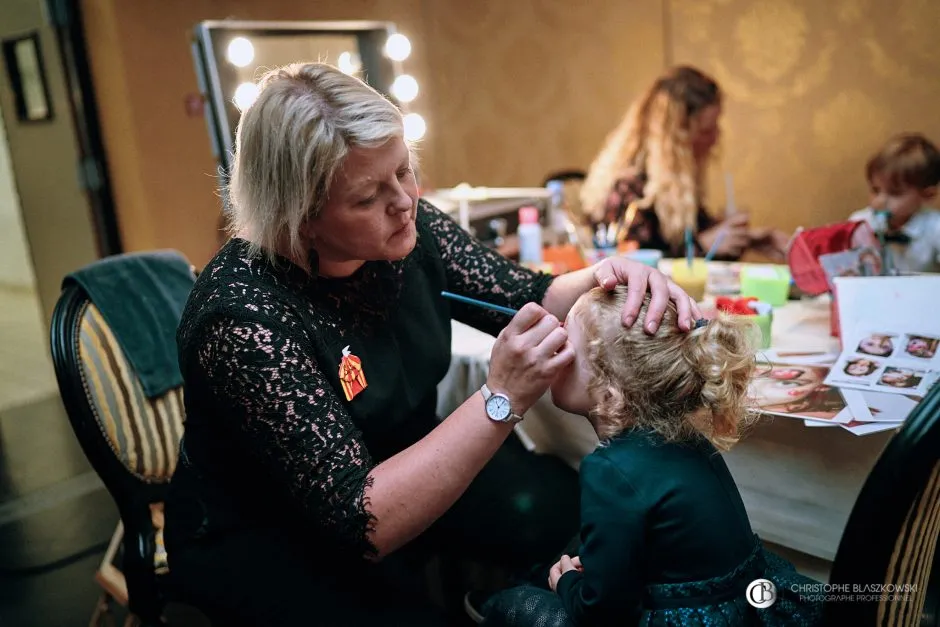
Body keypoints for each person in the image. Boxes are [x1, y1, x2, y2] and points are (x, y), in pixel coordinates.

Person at [163, 62, 700, 626]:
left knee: (578, 512)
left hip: (401, 456)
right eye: (368, 195)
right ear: (298, 215)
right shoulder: (245, 318)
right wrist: (501, 397)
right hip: (274, 538)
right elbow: (361, 522)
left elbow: (528, 295)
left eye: (404, 170)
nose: (404, 201)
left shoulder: (408, 231)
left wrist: (609, 275)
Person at [477, 288, 822, 626]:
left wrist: (566, 582)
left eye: (566, 344)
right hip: (740, 604)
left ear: (608, 384)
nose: (554, 354)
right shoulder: (684, 436)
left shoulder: (610, 470)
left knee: (510, 606)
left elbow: (602, 612)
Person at [580, 65, 790, 261]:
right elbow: (628, 264)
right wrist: (702, 246)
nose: (716, 138)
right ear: (676, 137)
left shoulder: (675, 188)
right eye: (707, 130)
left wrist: (749, 238)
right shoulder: (628, 186)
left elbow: (691, 235)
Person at [849, 133, 940, 274]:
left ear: (927, 195)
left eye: (895, 193)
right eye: (875, 190)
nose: (879, 201)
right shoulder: (860, 224)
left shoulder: (935, 228)